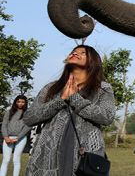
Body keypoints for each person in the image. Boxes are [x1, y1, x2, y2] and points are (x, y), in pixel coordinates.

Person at [23, 45, 116, 175]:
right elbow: (29, 118)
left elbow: (107, 116)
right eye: (73, 51)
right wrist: (60, 100)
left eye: (83, 53)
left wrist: (75, 98)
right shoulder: (51, 87)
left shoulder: (103, 88)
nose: (76, 53)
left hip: (85, 154)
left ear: (93, 61)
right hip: (48, 156)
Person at [0, 95, 31, 176]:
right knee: (6, 160)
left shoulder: (28, 113)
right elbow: (4, 125)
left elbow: (27, 127)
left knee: (16, 160)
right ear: (16, 102)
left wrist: (18, 138)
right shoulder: (9, 112)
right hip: (8, 138)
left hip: (20, 139)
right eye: (19, 101)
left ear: (25, 103)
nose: (20, 103)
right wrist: (6, 137)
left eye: (23, 102)